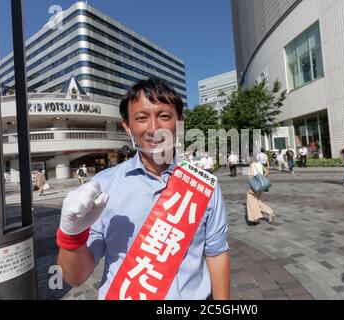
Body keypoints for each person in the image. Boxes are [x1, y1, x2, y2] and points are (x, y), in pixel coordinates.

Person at [56, 78, 230, 300]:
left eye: (164, 116)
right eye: (141, 118)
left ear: (180, 123)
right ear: (127, 126)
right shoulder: (103, 186)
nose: (154, 128)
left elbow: (216, 255)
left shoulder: (204, 186)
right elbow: (75, 278)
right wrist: (72, 236)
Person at [246, 155, 275, 225]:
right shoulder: (260, 164)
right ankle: (270, 213)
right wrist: (261, 178)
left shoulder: (251, 165)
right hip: (262, 186)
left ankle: (256, 217)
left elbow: (251, 177)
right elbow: (267, 172)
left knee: (251, 201)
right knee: (258, 202)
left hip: (255, 186)